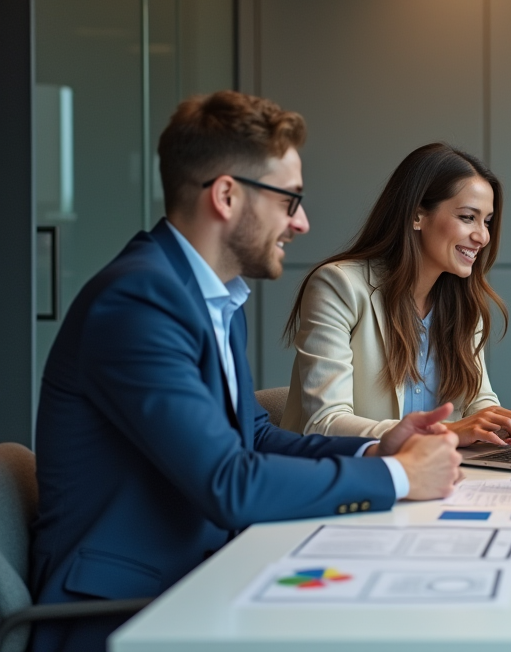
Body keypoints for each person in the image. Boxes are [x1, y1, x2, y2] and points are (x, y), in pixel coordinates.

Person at [30, 92, 462, 652]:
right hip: (126, 611)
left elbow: (252, 438)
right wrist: (400, 478)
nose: (302, 223)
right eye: (290, 200)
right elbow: (228, 481)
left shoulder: (210, 298)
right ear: (227, 195)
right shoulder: (137, 302)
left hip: (203, 576)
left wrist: (378, 451)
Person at [280, 143, 511, 447]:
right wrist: (451, 432)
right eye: (468, 217)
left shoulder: (465, 306)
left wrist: (500, 422)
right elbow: (323, 422)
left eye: (487, 221)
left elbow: (478, 402)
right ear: (417, 216)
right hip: (350, 480)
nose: (483, 236)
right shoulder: (338, 286)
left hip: (439, 478)